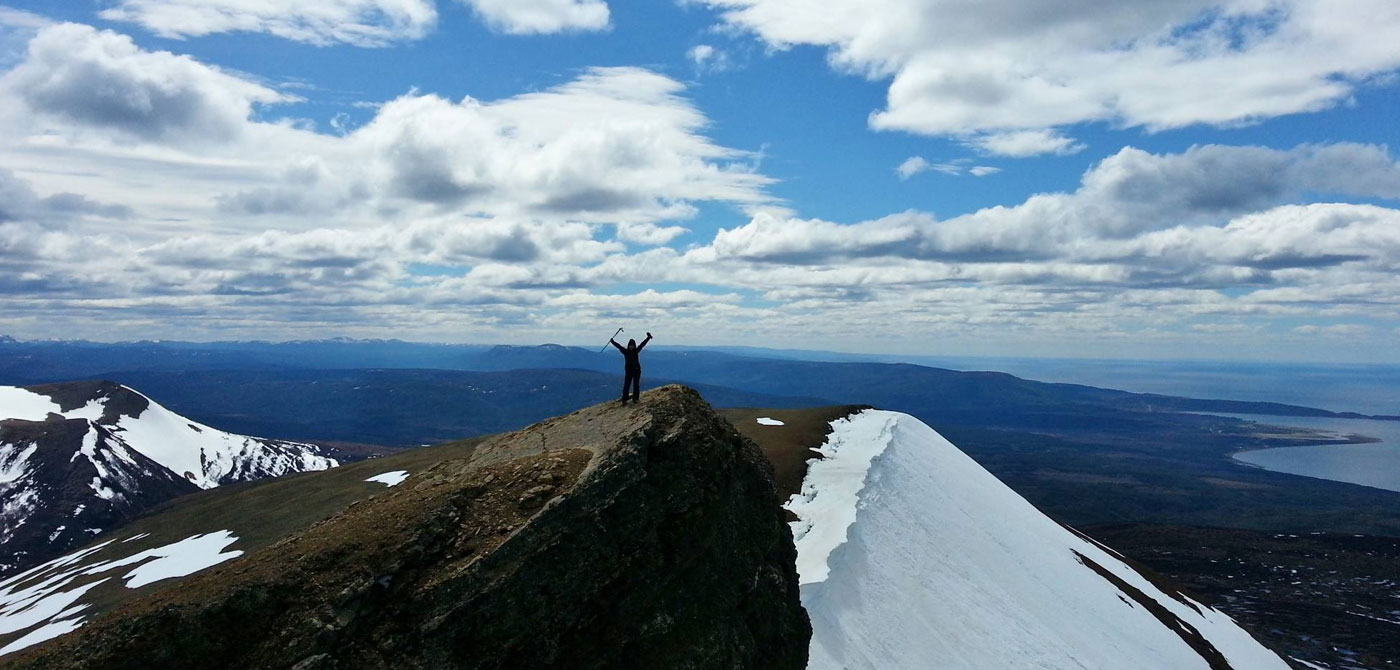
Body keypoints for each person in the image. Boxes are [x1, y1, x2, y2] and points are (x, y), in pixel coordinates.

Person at [610, 332, 652, 403]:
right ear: (628, 346)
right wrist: (613, 342)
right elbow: (619, 346)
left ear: (634, 346)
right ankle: (625, 398)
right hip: (629, 371)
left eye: (632, 345)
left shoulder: (635, 351)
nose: (631, 347)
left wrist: (648, 338)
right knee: (627, 384)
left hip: (636, 371)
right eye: (630, 345)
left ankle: (635, 398)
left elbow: (642, 344)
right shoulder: (626, 352)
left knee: (635, 385)